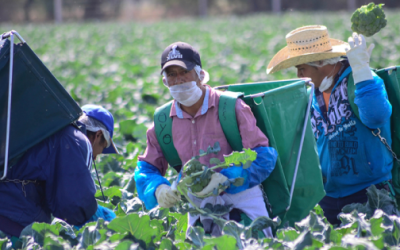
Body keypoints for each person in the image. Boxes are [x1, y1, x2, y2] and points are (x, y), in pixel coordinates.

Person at [135, 42, 278, 237]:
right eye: (171, 74)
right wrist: (157, 188)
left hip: (242, 199)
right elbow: (146, 168)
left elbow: (264, 156)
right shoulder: (162, 122)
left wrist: (228, 177)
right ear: (164, 81)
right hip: (198, 207)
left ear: (200, 74)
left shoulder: (231, 108)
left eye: (183, 72)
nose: (178, 80)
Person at [267, 25, 393, 225]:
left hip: (370, 191)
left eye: (302, 69)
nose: (299, 76)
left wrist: (362, 74)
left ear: (320, 62)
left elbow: (376, 116)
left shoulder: (361, 80)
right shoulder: (310, 96)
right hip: (328, 196)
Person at [0, 104, 119, 240]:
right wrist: (94, 216)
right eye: (103, 147)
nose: (97, 156)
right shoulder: (76, 140)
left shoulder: (54, 129)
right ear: (97, 135)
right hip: (11, 218)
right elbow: (74, 204)